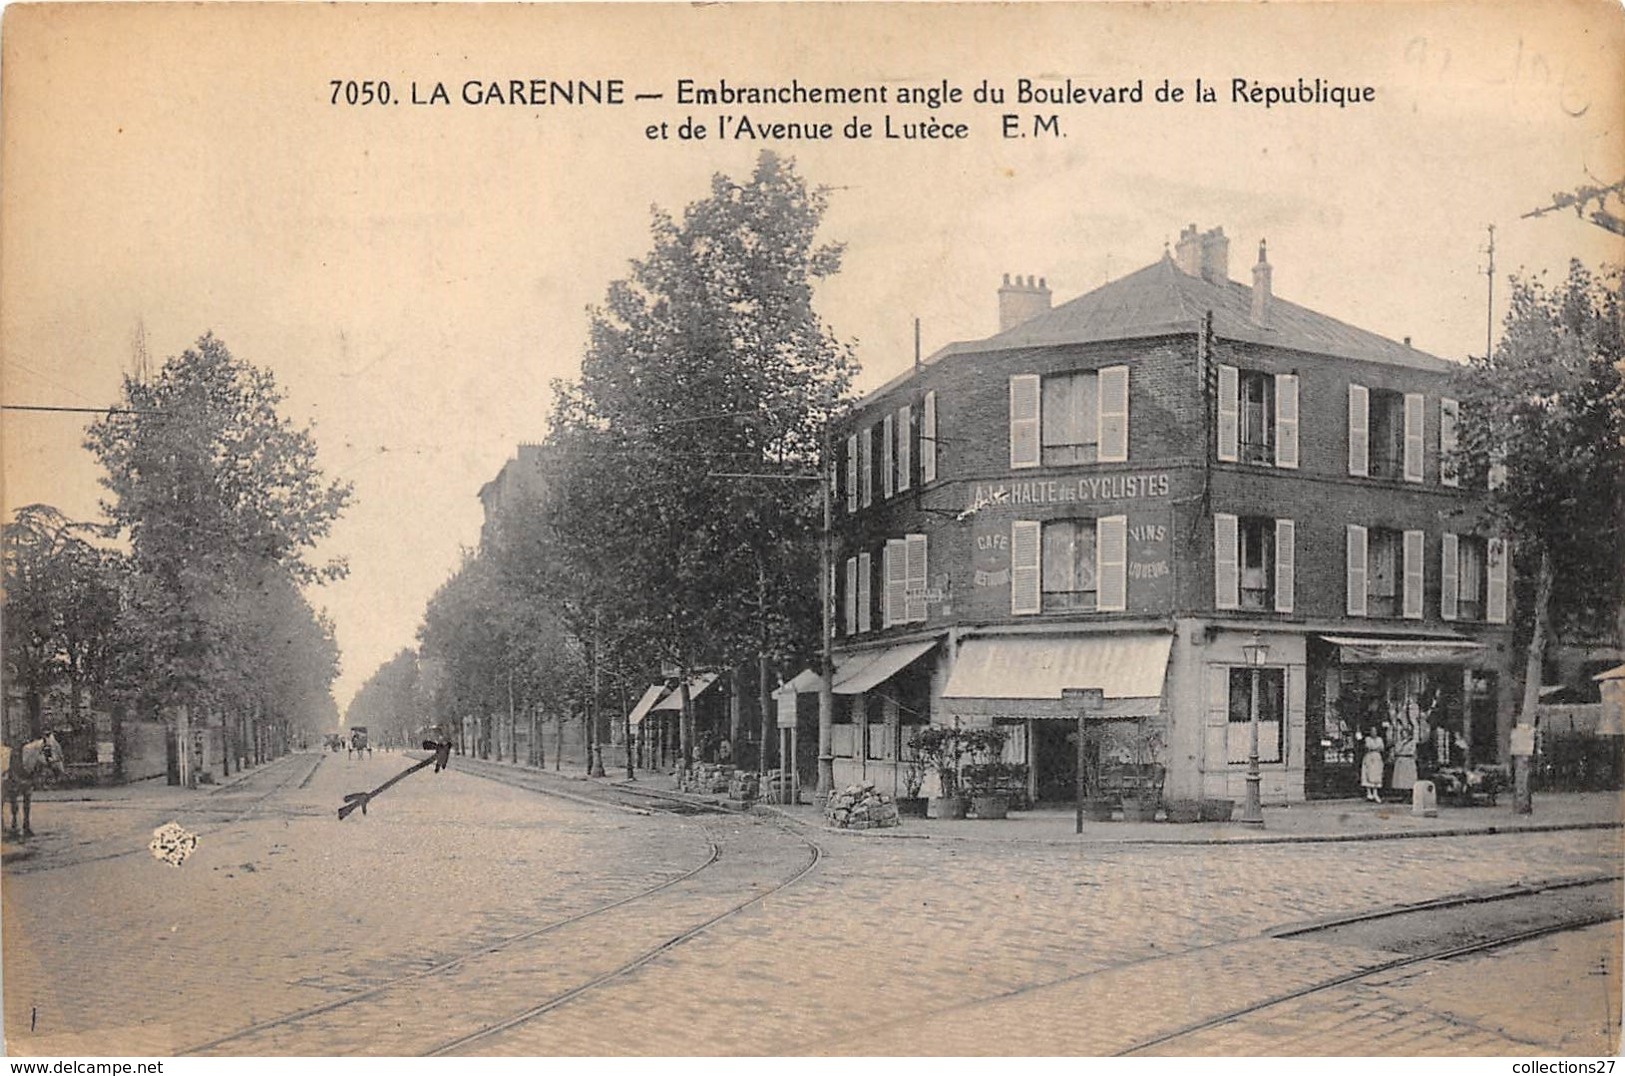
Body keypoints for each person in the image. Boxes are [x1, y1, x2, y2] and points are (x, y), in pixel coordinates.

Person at [1360, 728, 1386, 803]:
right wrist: (1375, 748)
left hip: (1377, 757)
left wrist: (1376, 748)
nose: (1373, 733)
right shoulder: (1367, 739)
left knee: (1376, 774)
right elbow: (1368, 746)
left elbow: (1381, 748)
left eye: (1375, 731)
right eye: (1372, 731)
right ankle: (1369, 793)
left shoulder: (1379, 739)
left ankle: (1375, 793)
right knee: (1368, 773)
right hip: (1369, 757)